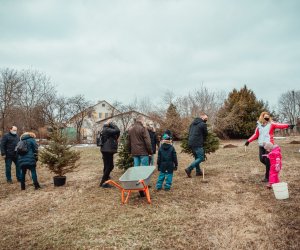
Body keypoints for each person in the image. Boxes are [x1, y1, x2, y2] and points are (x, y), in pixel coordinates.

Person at [245, 112, 294, 182]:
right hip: (261, 145)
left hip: (269, 145)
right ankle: (272, 167)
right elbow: (256, 134)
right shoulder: (259, 126)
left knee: (268, 160)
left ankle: (267, 177)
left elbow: (279, 125)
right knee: (262, 159)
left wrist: (288, 125)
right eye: (265, 117)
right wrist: (248, 141)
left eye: (268, 117)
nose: (267, 118)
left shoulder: (271, 124)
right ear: (262, 117)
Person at [128, 115, 152, 197]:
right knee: (144, 170)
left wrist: (129, 151)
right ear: (141, 120)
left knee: (136, 169)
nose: (144, 121)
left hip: (135, 152)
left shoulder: (130, 129)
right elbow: (148, 141)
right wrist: (150, 151)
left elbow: (128, 142)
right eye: (144, 120)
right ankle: (143, 188)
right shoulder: (143, 128)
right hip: (143, 152)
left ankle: (137, 186)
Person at [185, 113, 208, 177]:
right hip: (198, 143)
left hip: (191, 142)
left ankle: (198, 172)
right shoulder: (203, 124)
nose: (206, 120)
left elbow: (189, 133)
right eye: (206, 119)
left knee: (196, 157)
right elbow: (206, 134)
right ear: (202, 117)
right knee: (201, 158)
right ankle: (189, 169)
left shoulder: (192, 124)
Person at [99, 120, 120, 188]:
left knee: (107, 166)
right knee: (110, 166)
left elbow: (117, 133)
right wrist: (112, 124)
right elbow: (117, 130)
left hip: (106, 150)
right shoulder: (107, 129)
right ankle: (103, 182)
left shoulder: (105, 129)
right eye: (111, 123)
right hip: (107, 150)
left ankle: (105, 178)